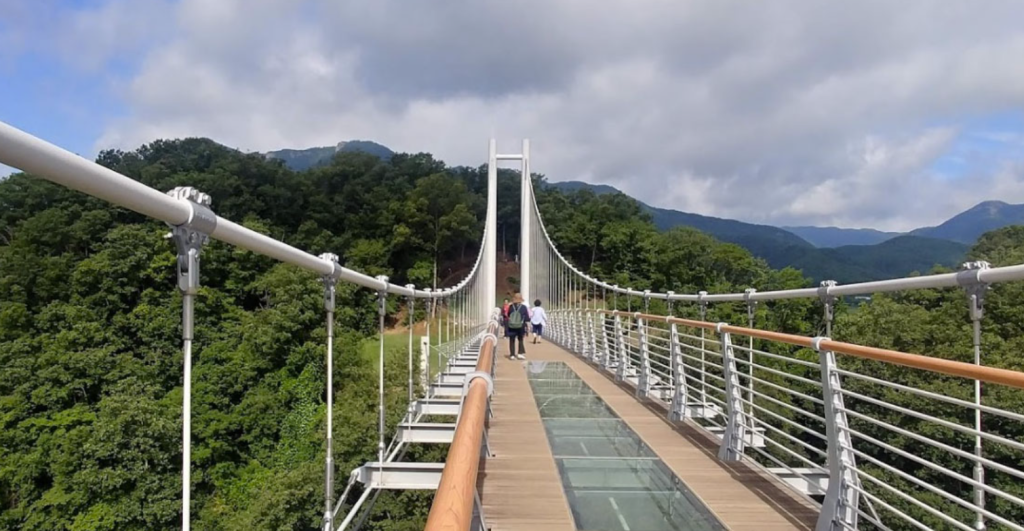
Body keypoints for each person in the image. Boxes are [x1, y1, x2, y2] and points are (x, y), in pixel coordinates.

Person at [504, 293, 530, 359]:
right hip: (521, 326)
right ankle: (520, 353)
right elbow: (527, 318)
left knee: (512, 340)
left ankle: (512, 354)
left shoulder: (510, 307)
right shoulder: (523, 307)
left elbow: (508, 315)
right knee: (520, 339)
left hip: (512, 325)